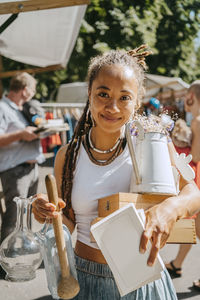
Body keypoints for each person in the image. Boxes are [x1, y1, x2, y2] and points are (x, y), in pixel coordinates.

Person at [32, 46, 200, 300]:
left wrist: (171, 208)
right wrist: (49, 213)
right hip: (83, 279)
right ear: (89, 93)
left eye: (124, 97)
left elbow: (193, 192)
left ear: (137, 100)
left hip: (141, 281)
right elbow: (68, 222)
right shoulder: (68, 154)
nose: (112, 106)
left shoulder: (151, 141)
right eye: (103, 94)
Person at [0, 72, 45, 243]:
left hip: (31, 169)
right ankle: (3, 265)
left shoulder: (22, 108)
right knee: (13, 220)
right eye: (33, 90)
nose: (33, 95)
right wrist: (21, 134)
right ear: (25, 90)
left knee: (27, 218)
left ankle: (24, 256)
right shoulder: (2, 108)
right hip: (15, 171)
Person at [165, 81, 200, 289]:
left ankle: (177, 265)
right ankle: (177, 264)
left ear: (192, 96)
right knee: (194, 227)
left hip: (199, 176)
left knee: (195, 226)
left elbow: (196, 155)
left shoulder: (197, 120)